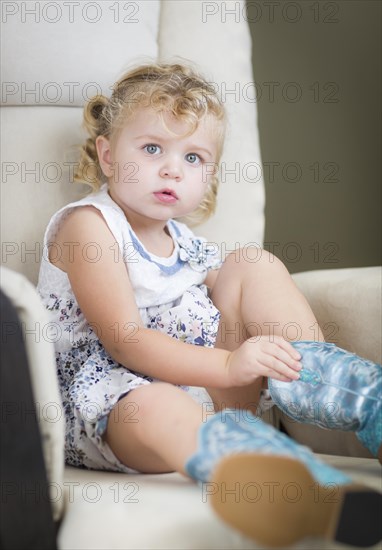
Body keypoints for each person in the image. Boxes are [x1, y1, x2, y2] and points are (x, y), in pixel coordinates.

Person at [37, 63, 381, 548]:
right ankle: (286, 487)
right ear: (109, 156)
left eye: (194, 157)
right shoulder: (89, 227)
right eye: (152, 148)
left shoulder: (185, 240)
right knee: (156, 404)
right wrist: (229, 363)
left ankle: (358, 398)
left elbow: (237, 300)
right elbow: (125, 341)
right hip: (115, 408)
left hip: (209, 390)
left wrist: (252, 353)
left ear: (210, 174)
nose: (173, 168)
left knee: (252, 263)